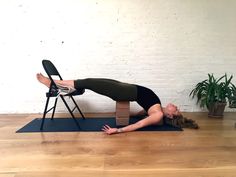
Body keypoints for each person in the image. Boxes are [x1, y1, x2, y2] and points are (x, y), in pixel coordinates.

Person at [36, 73, 181, 135]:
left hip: (124, 91)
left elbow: (139, 125)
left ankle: (52, 84)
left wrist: (117, 130)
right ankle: (64, 87)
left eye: (177, 110)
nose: (177, 107)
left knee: (88, 82)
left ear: (170, 115)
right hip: (125, 87)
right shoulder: (157, 109)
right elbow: (143, 113)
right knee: (90, 80)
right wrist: (127, 114)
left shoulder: (158, 114)